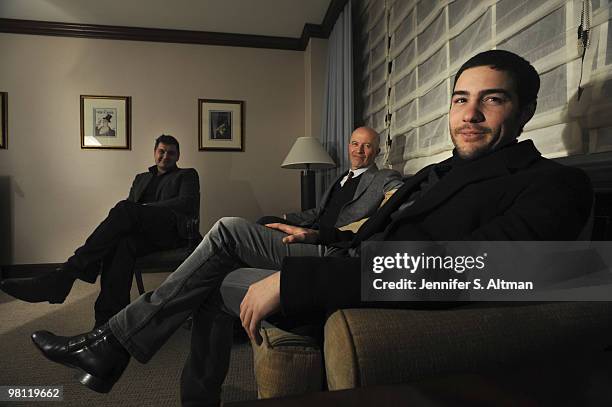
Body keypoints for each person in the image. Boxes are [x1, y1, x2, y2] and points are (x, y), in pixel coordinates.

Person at [28, 50, 592, 407]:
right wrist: (323, 240)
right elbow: (369, 229)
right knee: (224, 238)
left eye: (491, 101)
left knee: (210, 269)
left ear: (523, 112)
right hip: (344, 258)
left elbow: (475, 270)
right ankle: (121, 351)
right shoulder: (437, 172)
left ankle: (115, 349)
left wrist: (299, 281)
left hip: (367, 289)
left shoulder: (553, 184)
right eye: (460, 100)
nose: (469, 115)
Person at [0, 135, 200, 327]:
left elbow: (186, 204)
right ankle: (109, 321)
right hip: (143, 236)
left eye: (171, 153)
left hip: (171, 233)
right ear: (154, 152)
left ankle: (65, 276)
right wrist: (137, 211)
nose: (165, 157)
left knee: (124, 208)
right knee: (121, 244)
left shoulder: (187, 174)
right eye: (161, 151)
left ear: (178, 156)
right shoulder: (142, 178)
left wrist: (144, 209)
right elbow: (129, 216)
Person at [259, 126, 404, 230]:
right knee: (265, 221)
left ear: (377, 152)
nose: (359, 150)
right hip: (312, 227)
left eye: (367, 146)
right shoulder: (340, 177)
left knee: (246, 232)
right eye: (355, 144)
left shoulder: (384, 176)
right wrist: (287, 218)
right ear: (349, 147)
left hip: (329, 239)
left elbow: (398, 199)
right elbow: (319, 212)